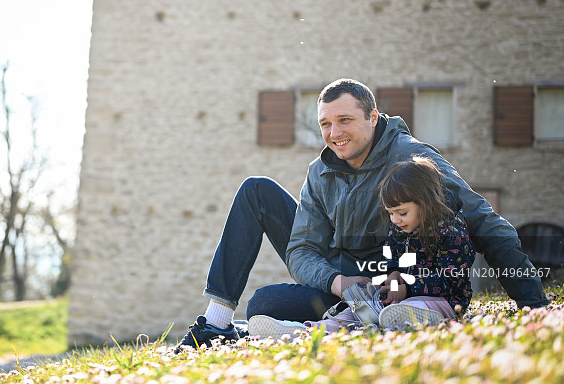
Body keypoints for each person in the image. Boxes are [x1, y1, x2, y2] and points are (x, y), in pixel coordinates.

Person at [177, 78, 547, 350]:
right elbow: (301, 249)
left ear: (372, 116)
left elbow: (484, 222)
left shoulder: (412, 161)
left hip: (394, 283)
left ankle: (372, 320)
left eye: (345, 120)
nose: (334, 133)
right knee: (258, 210)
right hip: (344, 285)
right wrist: (338, 282)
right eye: (325, 124)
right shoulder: (319, 172)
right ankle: (217, 324)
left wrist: (533, 305)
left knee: (268, 305)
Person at [248, 156, 475, 337]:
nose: (395, 220)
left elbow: (451, 279)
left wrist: (409, 288)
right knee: (355, 311)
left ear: (425, 205)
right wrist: (394, 275)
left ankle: (403, 321)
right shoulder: (400, 226)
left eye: (402, 213)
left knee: (414, 307)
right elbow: (393, 258)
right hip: (399, 296)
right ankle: (310, 331)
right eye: (391, 214)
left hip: (444, 300)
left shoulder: (450, 232)